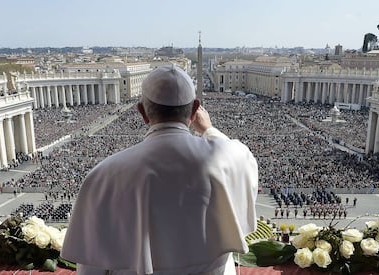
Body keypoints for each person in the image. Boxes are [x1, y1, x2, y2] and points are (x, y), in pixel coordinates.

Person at [61, 65, 259, 275]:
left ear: (142, 112)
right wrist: (208, 130)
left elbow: (91, 265)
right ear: (194, 110)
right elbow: (241, 158)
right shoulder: (229, 157)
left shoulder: (104, 174)